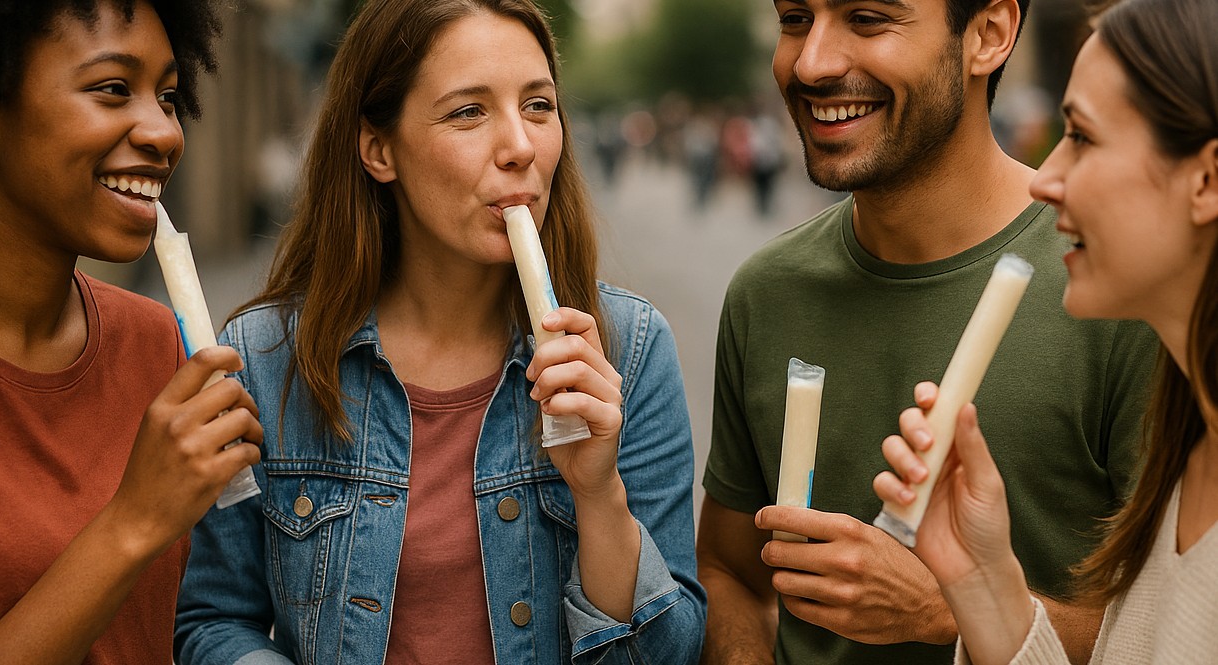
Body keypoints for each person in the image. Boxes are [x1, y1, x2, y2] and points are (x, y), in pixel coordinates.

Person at [172, 1, 704, 663]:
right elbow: (214, 619)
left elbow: (670, 651)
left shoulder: (630, 347)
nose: (520, 147)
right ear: (378, 149)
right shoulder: (264, 358)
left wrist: (599, 496)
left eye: (538, 105)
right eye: (468, 111)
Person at [696, 0, 1159, 663]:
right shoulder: (765, 292)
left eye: (867, 18)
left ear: (988, 34)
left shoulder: (1121, 292)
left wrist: (946, 610)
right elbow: (730, 571)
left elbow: (1175, 630)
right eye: (795, 18)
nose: (811, 63)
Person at [875, 0, 1218, 662]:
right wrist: (982, 582)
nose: (1045, 179)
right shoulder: (1183, 455)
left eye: (1081, 137)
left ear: (1206, 179)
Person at [0, 1, 263, 664]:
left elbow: (197, 620)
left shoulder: (157, 342)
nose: (163, 133)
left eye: (168, 97)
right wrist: (136, 520)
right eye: (113, 88)